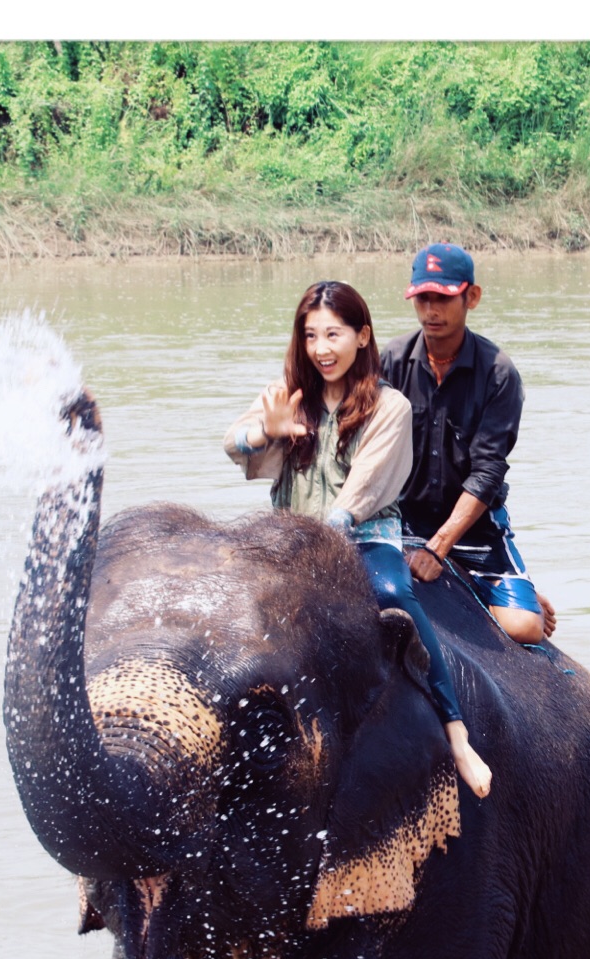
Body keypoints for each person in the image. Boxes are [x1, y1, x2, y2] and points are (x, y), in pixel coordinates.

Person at [224, 280, 491, 799]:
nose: (321, 349)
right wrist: (267, 432)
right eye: (311, 336)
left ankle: (456, 732)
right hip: (290, 539)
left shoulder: (390, 408)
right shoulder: (292, 398)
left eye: (333, 334)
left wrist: (318, 546)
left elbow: (357, 497)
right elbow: (232, 443)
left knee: (395, 597)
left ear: (362, 336)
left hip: (364, 540)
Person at [380, 243, 558, 647]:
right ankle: (503, 590)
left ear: (471, 298)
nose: (431, 310)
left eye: (442, 298)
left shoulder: (498, 373)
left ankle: (515, 590)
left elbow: (488, 471)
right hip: (401, 523)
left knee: (524, 628)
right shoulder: (390, 361)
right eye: (422, 298)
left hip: (474, 531)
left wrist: (438, 549)